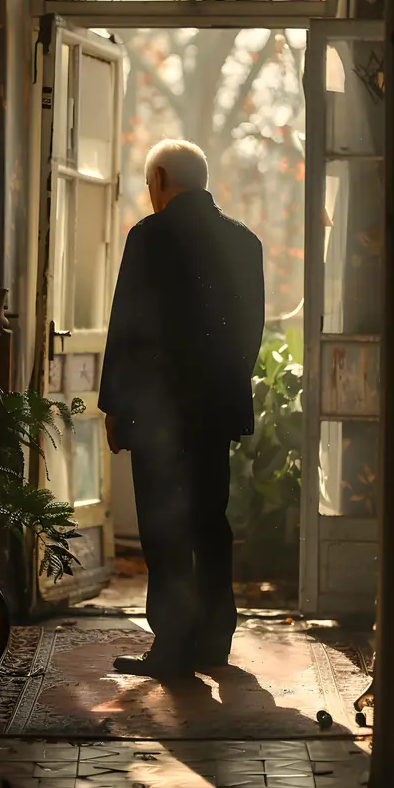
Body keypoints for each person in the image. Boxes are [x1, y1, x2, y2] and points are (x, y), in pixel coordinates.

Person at [98, 138, 265, 680]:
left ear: (162, 179)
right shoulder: (246, 242)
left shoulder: (149, 238)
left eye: (151, 185)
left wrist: (115, 406)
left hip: (159, 412)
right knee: (209, 522)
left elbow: (127, 327)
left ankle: (171, 648)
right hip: (214, 410)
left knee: (165, 527)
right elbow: (250, 332)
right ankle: (216, 639)